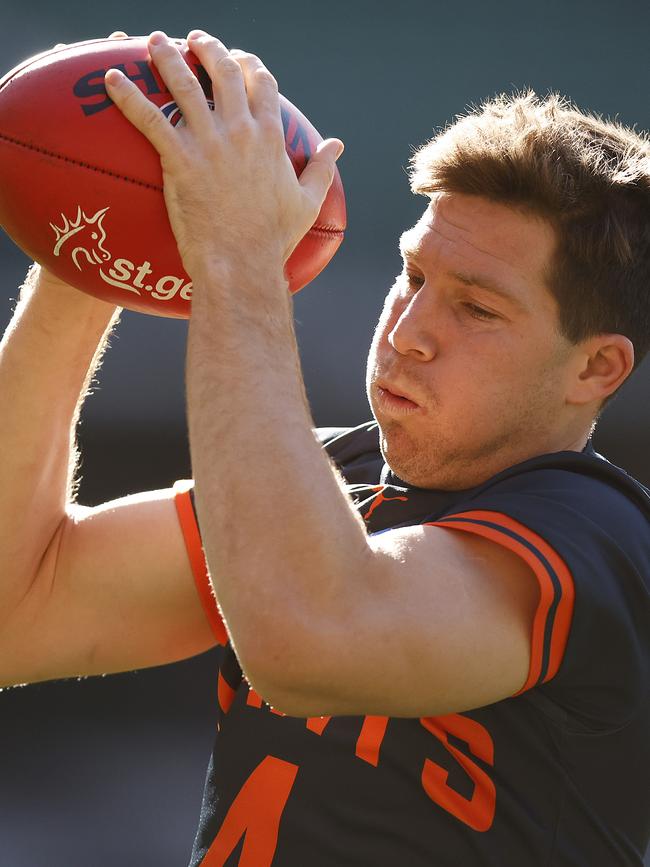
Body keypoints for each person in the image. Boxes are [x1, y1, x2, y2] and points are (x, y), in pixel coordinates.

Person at [0, 27, 648, 867]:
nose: (409, 333)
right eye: (413, 276)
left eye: (478, 310)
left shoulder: (596, 534)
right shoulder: (332, 481)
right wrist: (90, 247)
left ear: (596, 367)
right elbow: (16, 610)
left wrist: (235, 256)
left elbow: (308, 635)